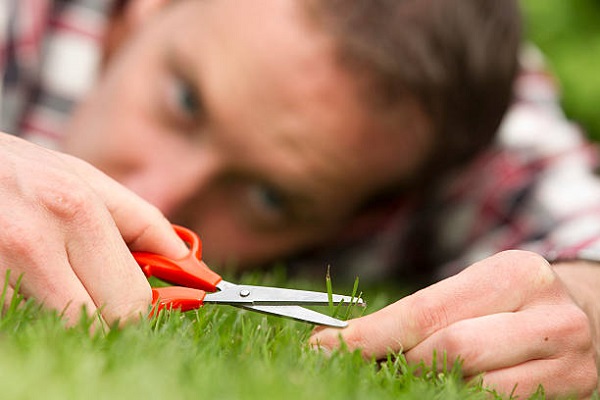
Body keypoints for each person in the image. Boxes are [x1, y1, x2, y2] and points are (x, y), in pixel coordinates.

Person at [1, 0, 599, 397]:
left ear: (371, 213)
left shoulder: (446, 114)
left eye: (268, 197)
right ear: (149, 9)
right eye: (186, 102)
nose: (154, 194)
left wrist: (579, 311)